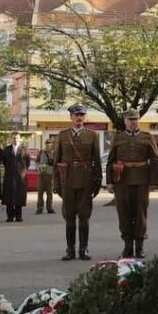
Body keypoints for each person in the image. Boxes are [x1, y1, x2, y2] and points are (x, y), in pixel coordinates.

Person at [106, 109, 158, 258]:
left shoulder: (147, 137)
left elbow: (154, 160)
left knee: (140, 213)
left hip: (142, 180)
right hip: (121, 181)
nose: (133, 122)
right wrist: (109, 181)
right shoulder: (118, 138)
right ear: (125, 122)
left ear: (138, 121)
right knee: (124, 213)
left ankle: (139, 247)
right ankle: (127, 246)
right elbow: (111, 160)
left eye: (135, 119)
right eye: (130, 120)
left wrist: (154, 182)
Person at [54, 104, 101, 260]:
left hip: (86, 181)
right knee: (69, 216)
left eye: (82, 115)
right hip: (67, 181)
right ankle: (70, 249)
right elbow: (57, 161)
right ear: (71, 117)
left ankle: (83, 249)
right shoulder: (62, 136)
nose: (79, 118)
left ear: (85, 117)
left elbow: (96, 161)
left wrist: (97, 181)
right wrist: (57, 183)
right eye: (76, 115)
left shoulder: (92, 135)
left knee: (84, 216)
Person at [1, 131, 30, 222]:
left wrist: (22, 172)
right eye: (13, 138)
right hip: (9, 176)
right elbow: (5, 162)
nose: (15, 139)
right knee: (9, 197)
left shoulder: (24, 149)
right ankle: (10, 216)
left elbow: (27, 162)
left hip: (20, 177)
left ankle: (18, 216)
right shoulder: (6, 149)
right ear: (11, 139)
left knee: (19, 197)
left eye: (17, 138)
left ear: (20, 139)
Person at [35, 140, 55, 214]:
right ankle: (39, 208)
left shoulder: (54, 153)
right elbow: (36, 161)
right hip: (41, 175)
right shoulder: (41, 152)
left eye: (49, 143)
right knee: (40, 192)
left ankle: (49, 208)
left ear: (51, 144)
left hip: (50, 175)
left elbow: (56, 163)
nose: (48, 145)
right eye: (46, 143)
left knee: (49, 193)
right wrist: (38, 167)